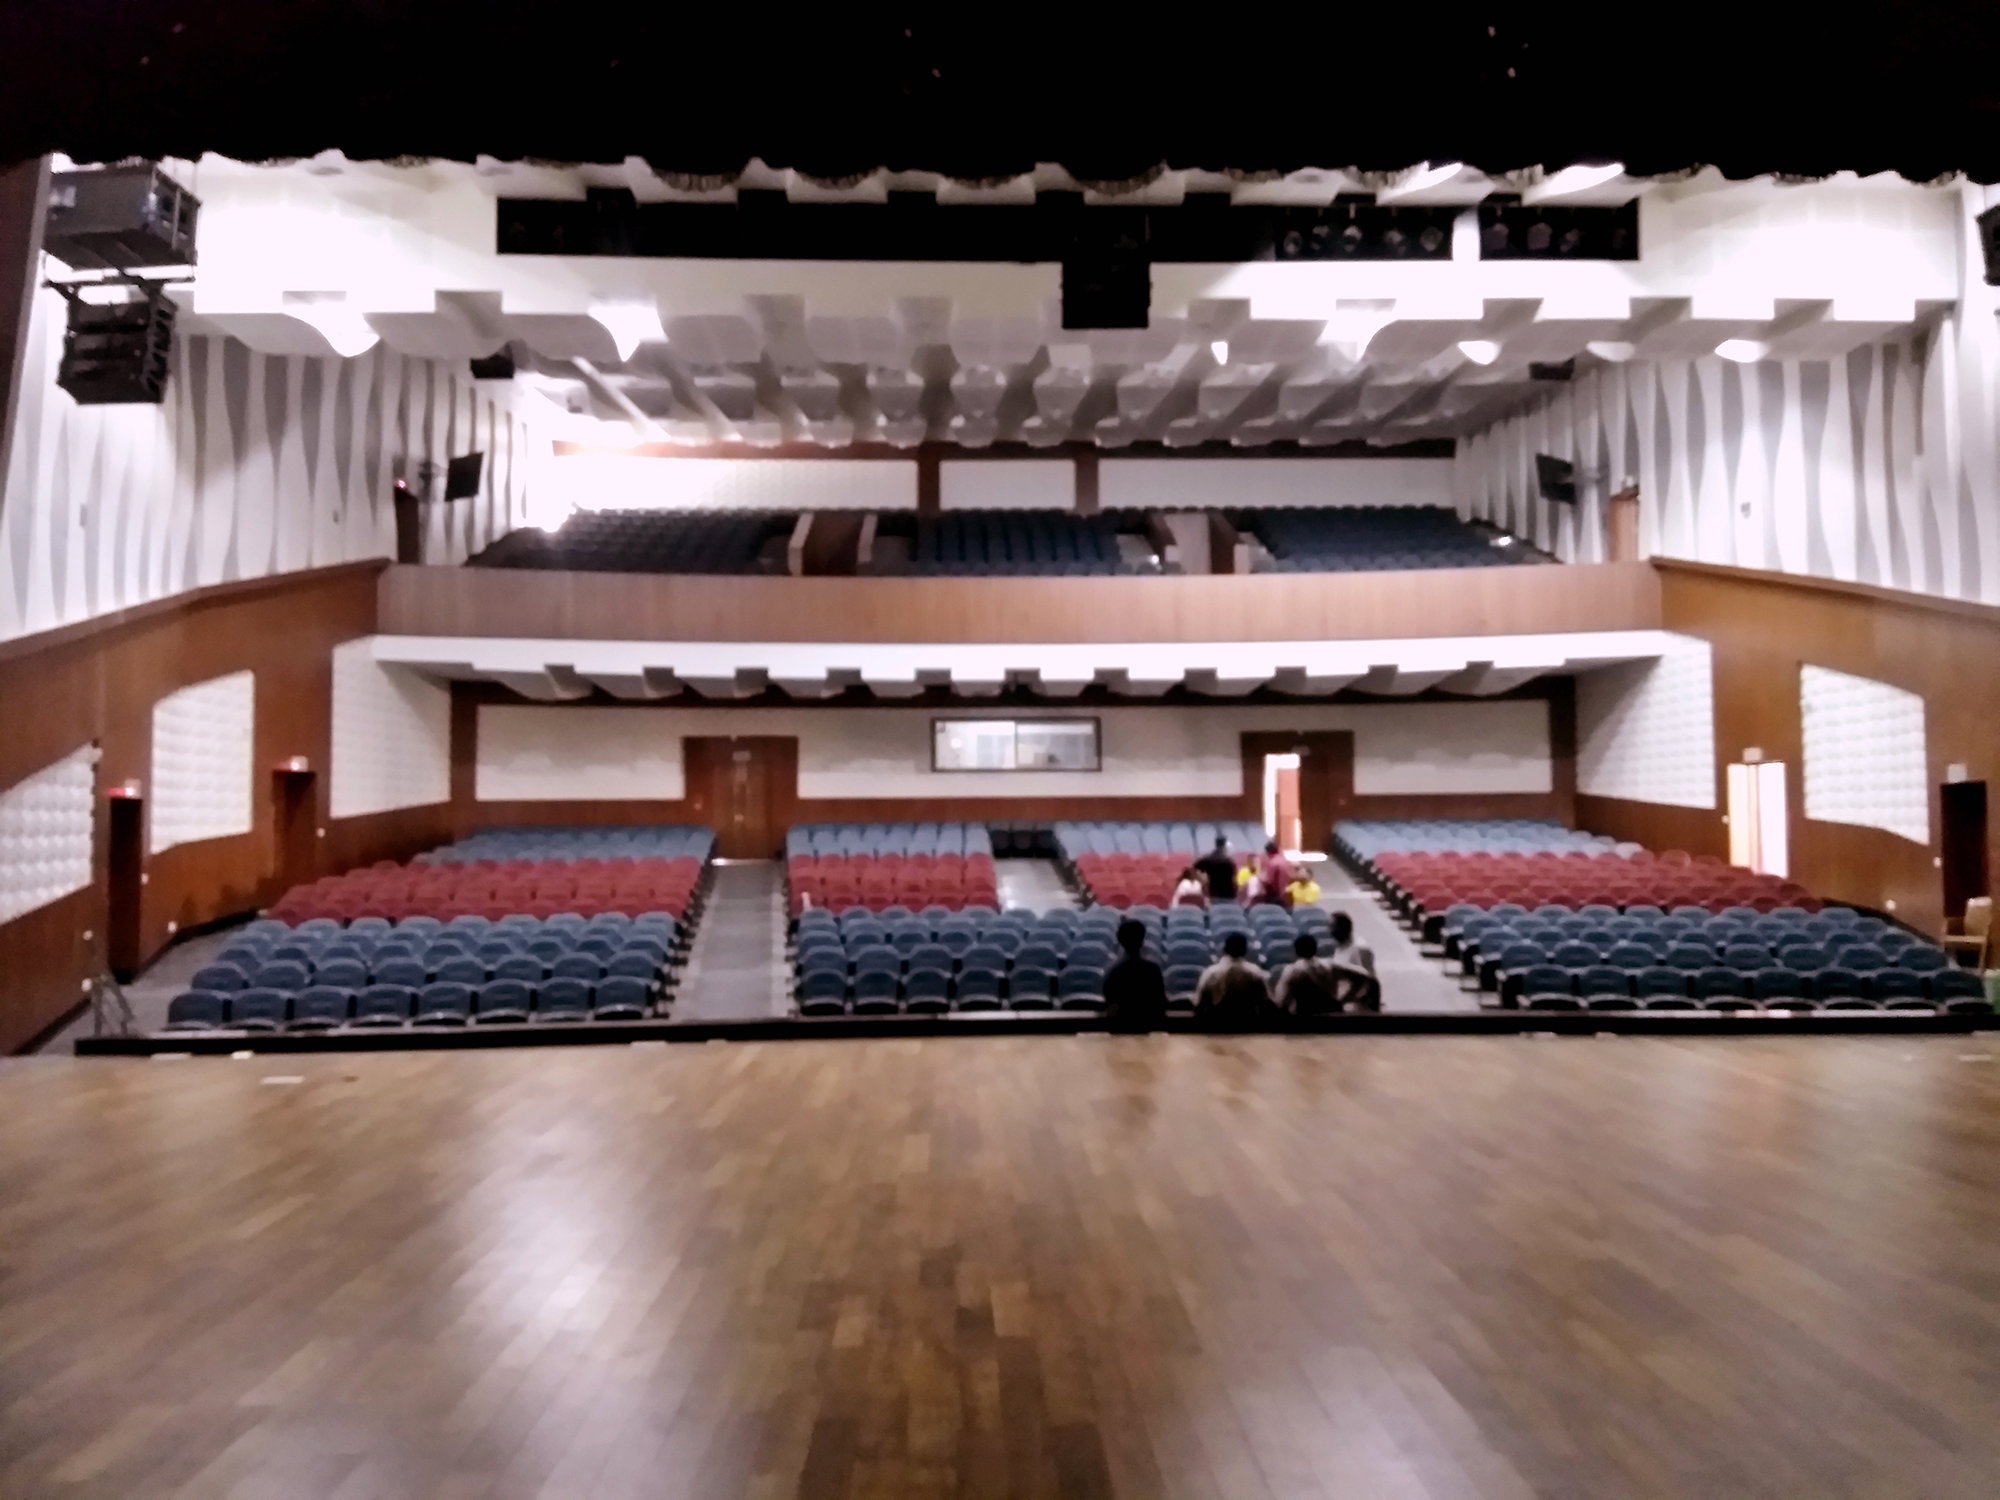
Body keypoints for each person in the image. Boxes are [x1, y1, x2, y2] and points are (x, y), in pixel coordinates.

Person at [1194, 931, 1275, 1023]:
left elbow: (1199, 1005)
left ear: (1224, 949)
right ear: (1245, 950)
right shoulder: (1255, 972)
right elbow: (1266, 1003)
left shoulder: (1211, 973)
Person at [1103, 918, 1167, 1032]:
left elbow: (1109, 1003)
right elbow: (1161, 1002)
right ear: (1142, 940)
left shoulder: (1113, 971)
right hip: (1148, 1029)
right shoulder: (1152, 970)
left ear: (1120, 940)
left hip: (1120, 1030)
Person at [1271, 931, 1340, 1017]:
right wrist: (1342, 1000)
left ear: (1296, 951)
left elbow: (1281, 1002)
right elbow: (1357, 975)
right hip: (1332, 1016)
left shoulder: (1292, 971)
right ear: (1316, 948)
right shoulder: (1330, 965)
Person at [1324, 911, 1380, 1011]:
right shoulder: (1339, 947)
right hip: (1344, 1004)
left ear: (1343, 928)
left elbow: (1370, 980)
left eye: (1332, 927)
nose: (1329, 930)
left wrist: (1345, 1000)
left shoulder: (1360, 948)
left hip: (1357, 1007)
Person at [1254, 840, 1297, 907]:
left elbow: (1268, 880)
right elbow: (1292, 874)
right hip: (1286, 892)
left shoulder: (1273, 863)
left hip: (1275, 895)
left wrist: (1259, 876)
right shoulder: (1286, 861)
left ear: (1267, 852)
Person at [1194, 837, 1238, 903]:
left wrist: (1203, 882)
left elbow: (1194, 869)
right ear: (1224, 846)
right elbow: (1234, 878)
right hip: (1228, 894)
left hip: (1213, 893)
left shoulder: (1208, 858)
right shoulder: (1229, 861)